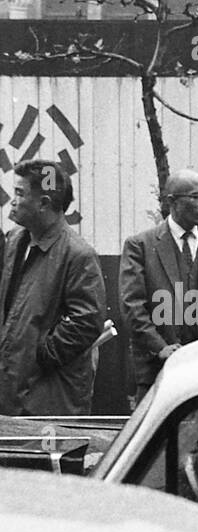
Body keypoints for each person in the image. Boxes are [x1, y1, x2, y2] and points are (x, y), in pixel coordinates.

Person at [0, 159, 106, 416]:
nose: (12, 201)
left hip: (47, 398)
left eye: (19, 193)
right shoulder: (15, 240)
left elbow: (87, 322)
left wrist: (39, 357)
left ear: (44, 203)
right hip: (11, 389)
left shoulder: (78, 254)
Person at [121, 169, 198, 396]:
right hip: (157, 371)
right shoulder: (140, 246)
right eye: (195, 197)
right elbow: (132, 305)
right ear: (172, 201)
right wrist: (160, 347)